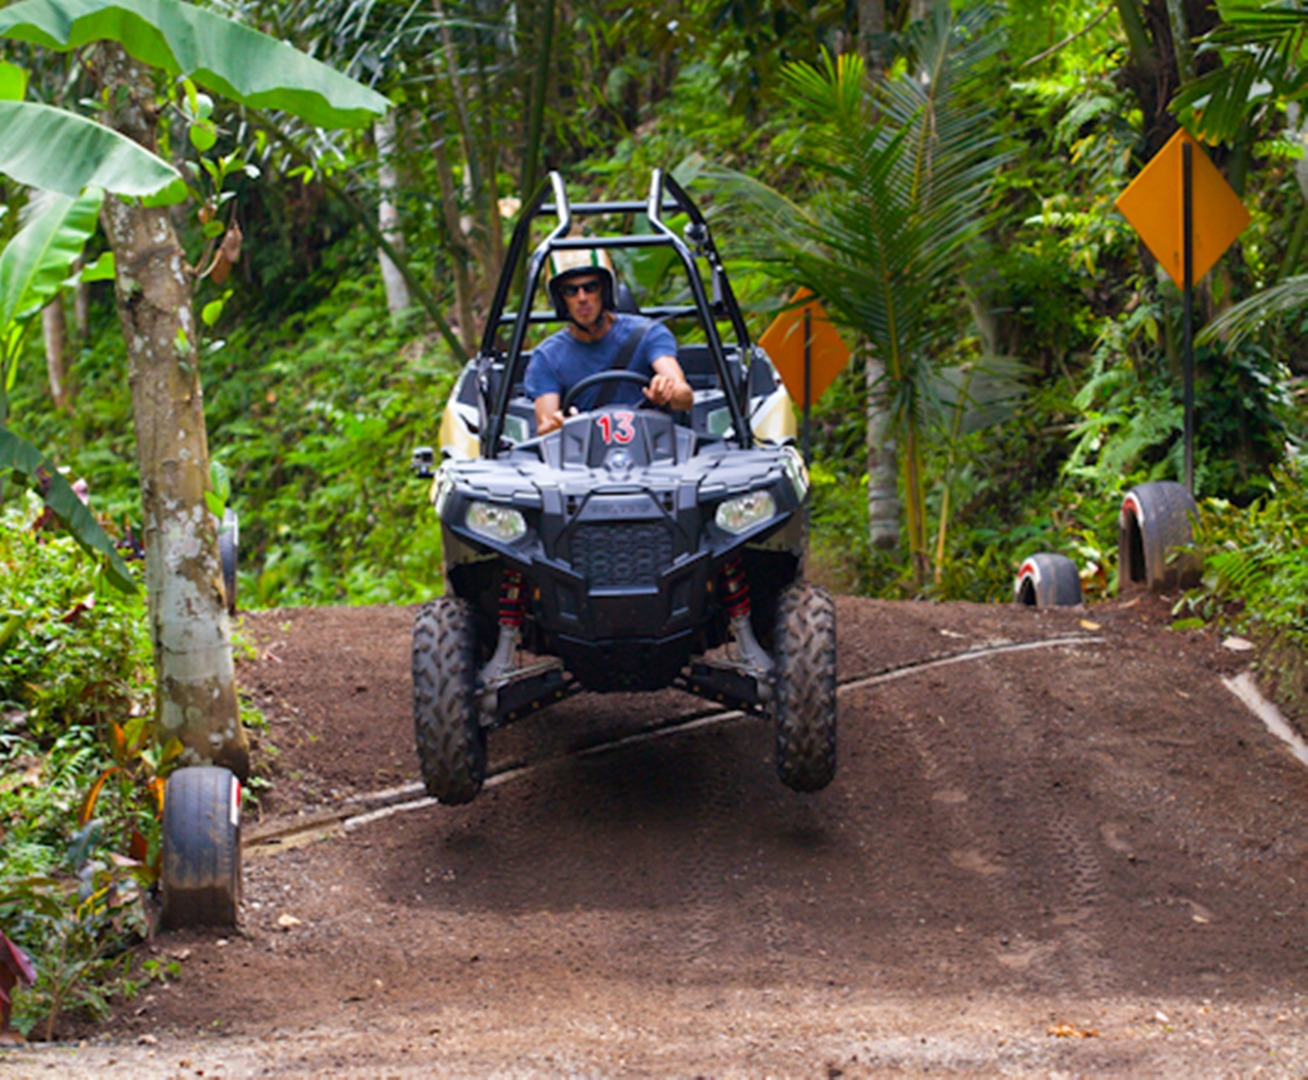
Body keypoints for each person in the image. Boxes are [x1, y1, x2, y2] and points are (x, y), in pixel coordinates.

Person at [524, 248, 693, 436]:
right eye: (571, 291)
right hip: (582, 456)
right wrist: (557, 425)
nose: (582, 298)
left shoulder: (648, 335)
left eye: (590, 287)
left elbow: (684, 395)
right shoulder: (548, 357)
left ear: (605, 290)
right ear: (560, 299)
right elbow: (545, 428)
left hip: (654, 450)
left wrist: (668, 392)